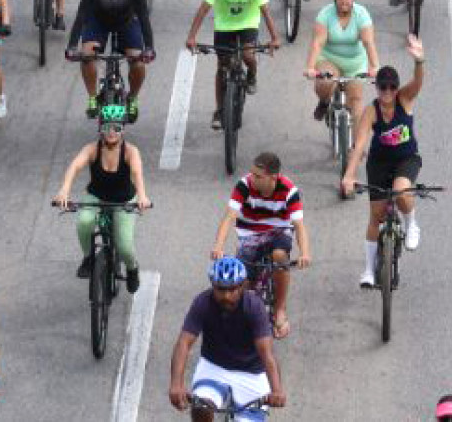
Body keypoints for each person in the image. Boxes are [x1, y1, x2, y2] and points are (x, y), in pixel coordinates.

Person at [342, 34, 428, 284]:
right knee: (376, 216)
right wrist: (349, 175)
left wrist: (419, 61)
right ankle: (369, 270)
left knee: (402, 192)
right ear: (377, 88)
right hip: (379, 163)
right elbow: (360, 145)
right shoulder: (372, 110)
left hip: (406, 159)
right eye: (383, 87)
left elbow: (418, 82)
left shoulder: (405, 99)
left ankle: (411, 224)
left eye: (392, 87)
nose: (388, 92)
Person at [168, 257, 287, 419]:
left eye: (232, 290)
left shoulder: (254, 307)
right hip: (214, 366)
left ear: (243, 285)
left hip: (251, 373)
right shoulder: (202, 303)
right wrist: (176, 384)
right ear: (212, 285)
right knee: (201, 407)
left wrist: (277, 390)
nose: (226, 296)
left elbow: (267, 354)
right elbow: (183, 343)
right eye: (221, 289)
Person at [210, 153, 312, 339]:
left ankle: (279, 309)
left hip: (278, 231)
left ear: (273, 178)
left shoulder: (289, 191)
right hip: (250, 234)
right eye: (252, 174)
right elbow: (229, 217)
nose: (252, 178)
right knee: (243, 285)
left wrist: (305, 253)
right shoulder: (244, 185)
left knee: (280, 257)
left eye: (258, 176)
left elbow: (299, 226)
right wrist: (218, 245)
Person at [53, 121, 154, 291]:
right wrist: (64, 190)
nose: (111, 132)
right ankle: (88, 258)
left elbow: (137, 174)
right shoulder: (92, 149)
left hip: (123, 201)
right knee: (84, 222)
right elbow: (75, 167)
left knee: (125, 246)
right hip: (97, 197)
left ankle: (132, 269)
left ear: (123, 130)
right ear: (100, 129)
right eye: (107, 127)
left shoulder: (130, 151)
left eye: (117, 128)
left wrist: (142, 197)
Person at [186, 0, 277, 128]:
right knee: (222, 67)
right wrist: (191, 37)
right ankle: (220, 111)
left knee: (248, 56)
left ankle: (251, 76)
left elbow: (266, 13)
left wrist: (274, 38)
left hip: (248, 24)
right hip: (224, 27)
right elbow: (202, 11)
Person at [69, 0, 157, 116]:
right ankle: (93, 98)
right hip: (98, 22)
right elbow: (81, 15)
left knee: (138, 62)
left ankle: (132, 98)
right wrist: (72, 46)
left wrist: (149, 47)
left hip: (126, 22)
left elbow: (143, 16)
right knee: (87, 55)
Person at [305, 0, 380, 122]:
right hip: (329, 59)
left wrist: (375, 66)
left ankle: (357, 144)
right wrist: (309, 68)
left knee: (356, 102)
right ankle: (324, 102)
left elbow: (368, 42)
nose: (344, 1)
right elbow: (318, 43)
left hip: (355, 64)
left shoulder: (362, 14)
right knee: (325, 83)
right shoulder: (325, 14)